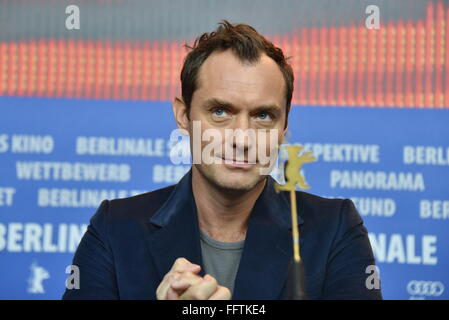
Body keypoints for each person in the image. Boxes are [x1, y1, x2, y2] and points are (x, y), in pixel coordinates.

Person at [62, 20, 382, 300]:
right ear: (184, 115)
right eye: (220, 112)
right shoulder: (115, 227)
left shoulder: (334, 228)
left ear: (284, 126)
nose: (242, 139)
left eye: (263, 116)